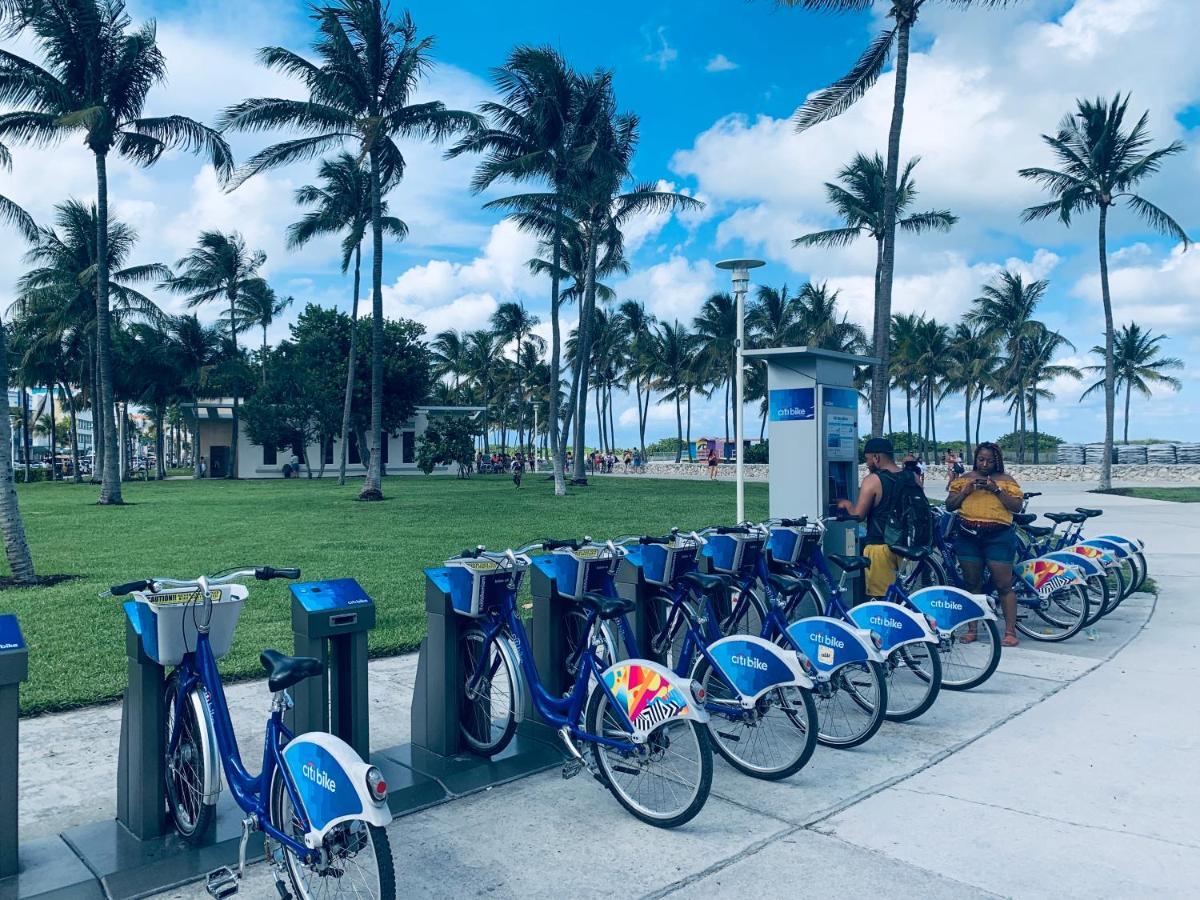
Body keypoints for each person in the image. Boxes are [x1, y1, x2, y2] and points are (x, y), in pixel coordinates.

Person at [946, 442, 1025, 647]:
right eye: (981, 459)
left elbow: (1017, 507)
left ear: (997, 460)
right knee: (972, 584)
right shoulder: (964, 479)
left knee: (1004, 585)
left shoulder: (1006, 481)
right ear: (975, 459)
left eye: (990, 460)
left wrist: (995, 490)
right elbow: (949, 505)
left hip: (998, 537)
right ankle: (973, 628)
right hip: (968, 536)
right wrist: (965, 492)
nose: (985, 464)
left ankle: (1010, 631)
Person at [836, 437, 922, 599]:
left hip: (880, 547)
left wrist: (846, 504)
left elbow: (858, 515)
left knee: (882, 603)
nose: (867, 464)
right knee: (902, 598)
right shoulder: (913, 478)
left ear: (877, 457)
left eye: (868, 459)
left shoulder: (873, 480)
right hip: (907, 546)